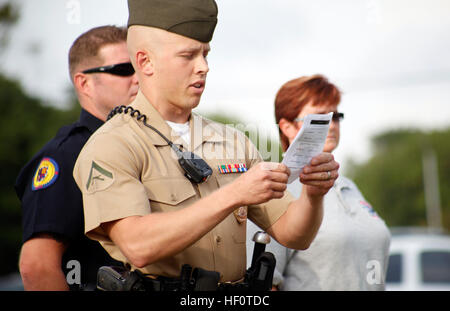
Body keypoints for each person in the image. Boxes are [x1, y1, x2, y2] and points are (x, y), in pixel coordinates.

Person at [72, 0, 339, 290]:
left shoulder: (233, 140)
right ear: (146, 61)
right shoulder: (113, 144)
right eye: (188, 55)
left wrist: (313, 195)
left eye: (205, 54)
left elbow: (294, 235)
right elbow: (138, 246)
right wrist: (234, 193)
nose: (204, 67)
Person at [15, 25, 139, 291]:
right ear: (84, 83)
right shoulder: (66, 154)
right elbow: (36, 267)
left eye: (140, 68)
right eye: (123, 69)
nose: (138, 78)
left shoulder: (141, 145)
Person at [246, 74, 391, 290]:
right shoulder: (274, 187)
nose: (331, 125)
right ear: (288, 127)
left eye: (336, 116)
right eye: (320, 118)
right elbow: (264, 283)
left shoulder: (349, 186)